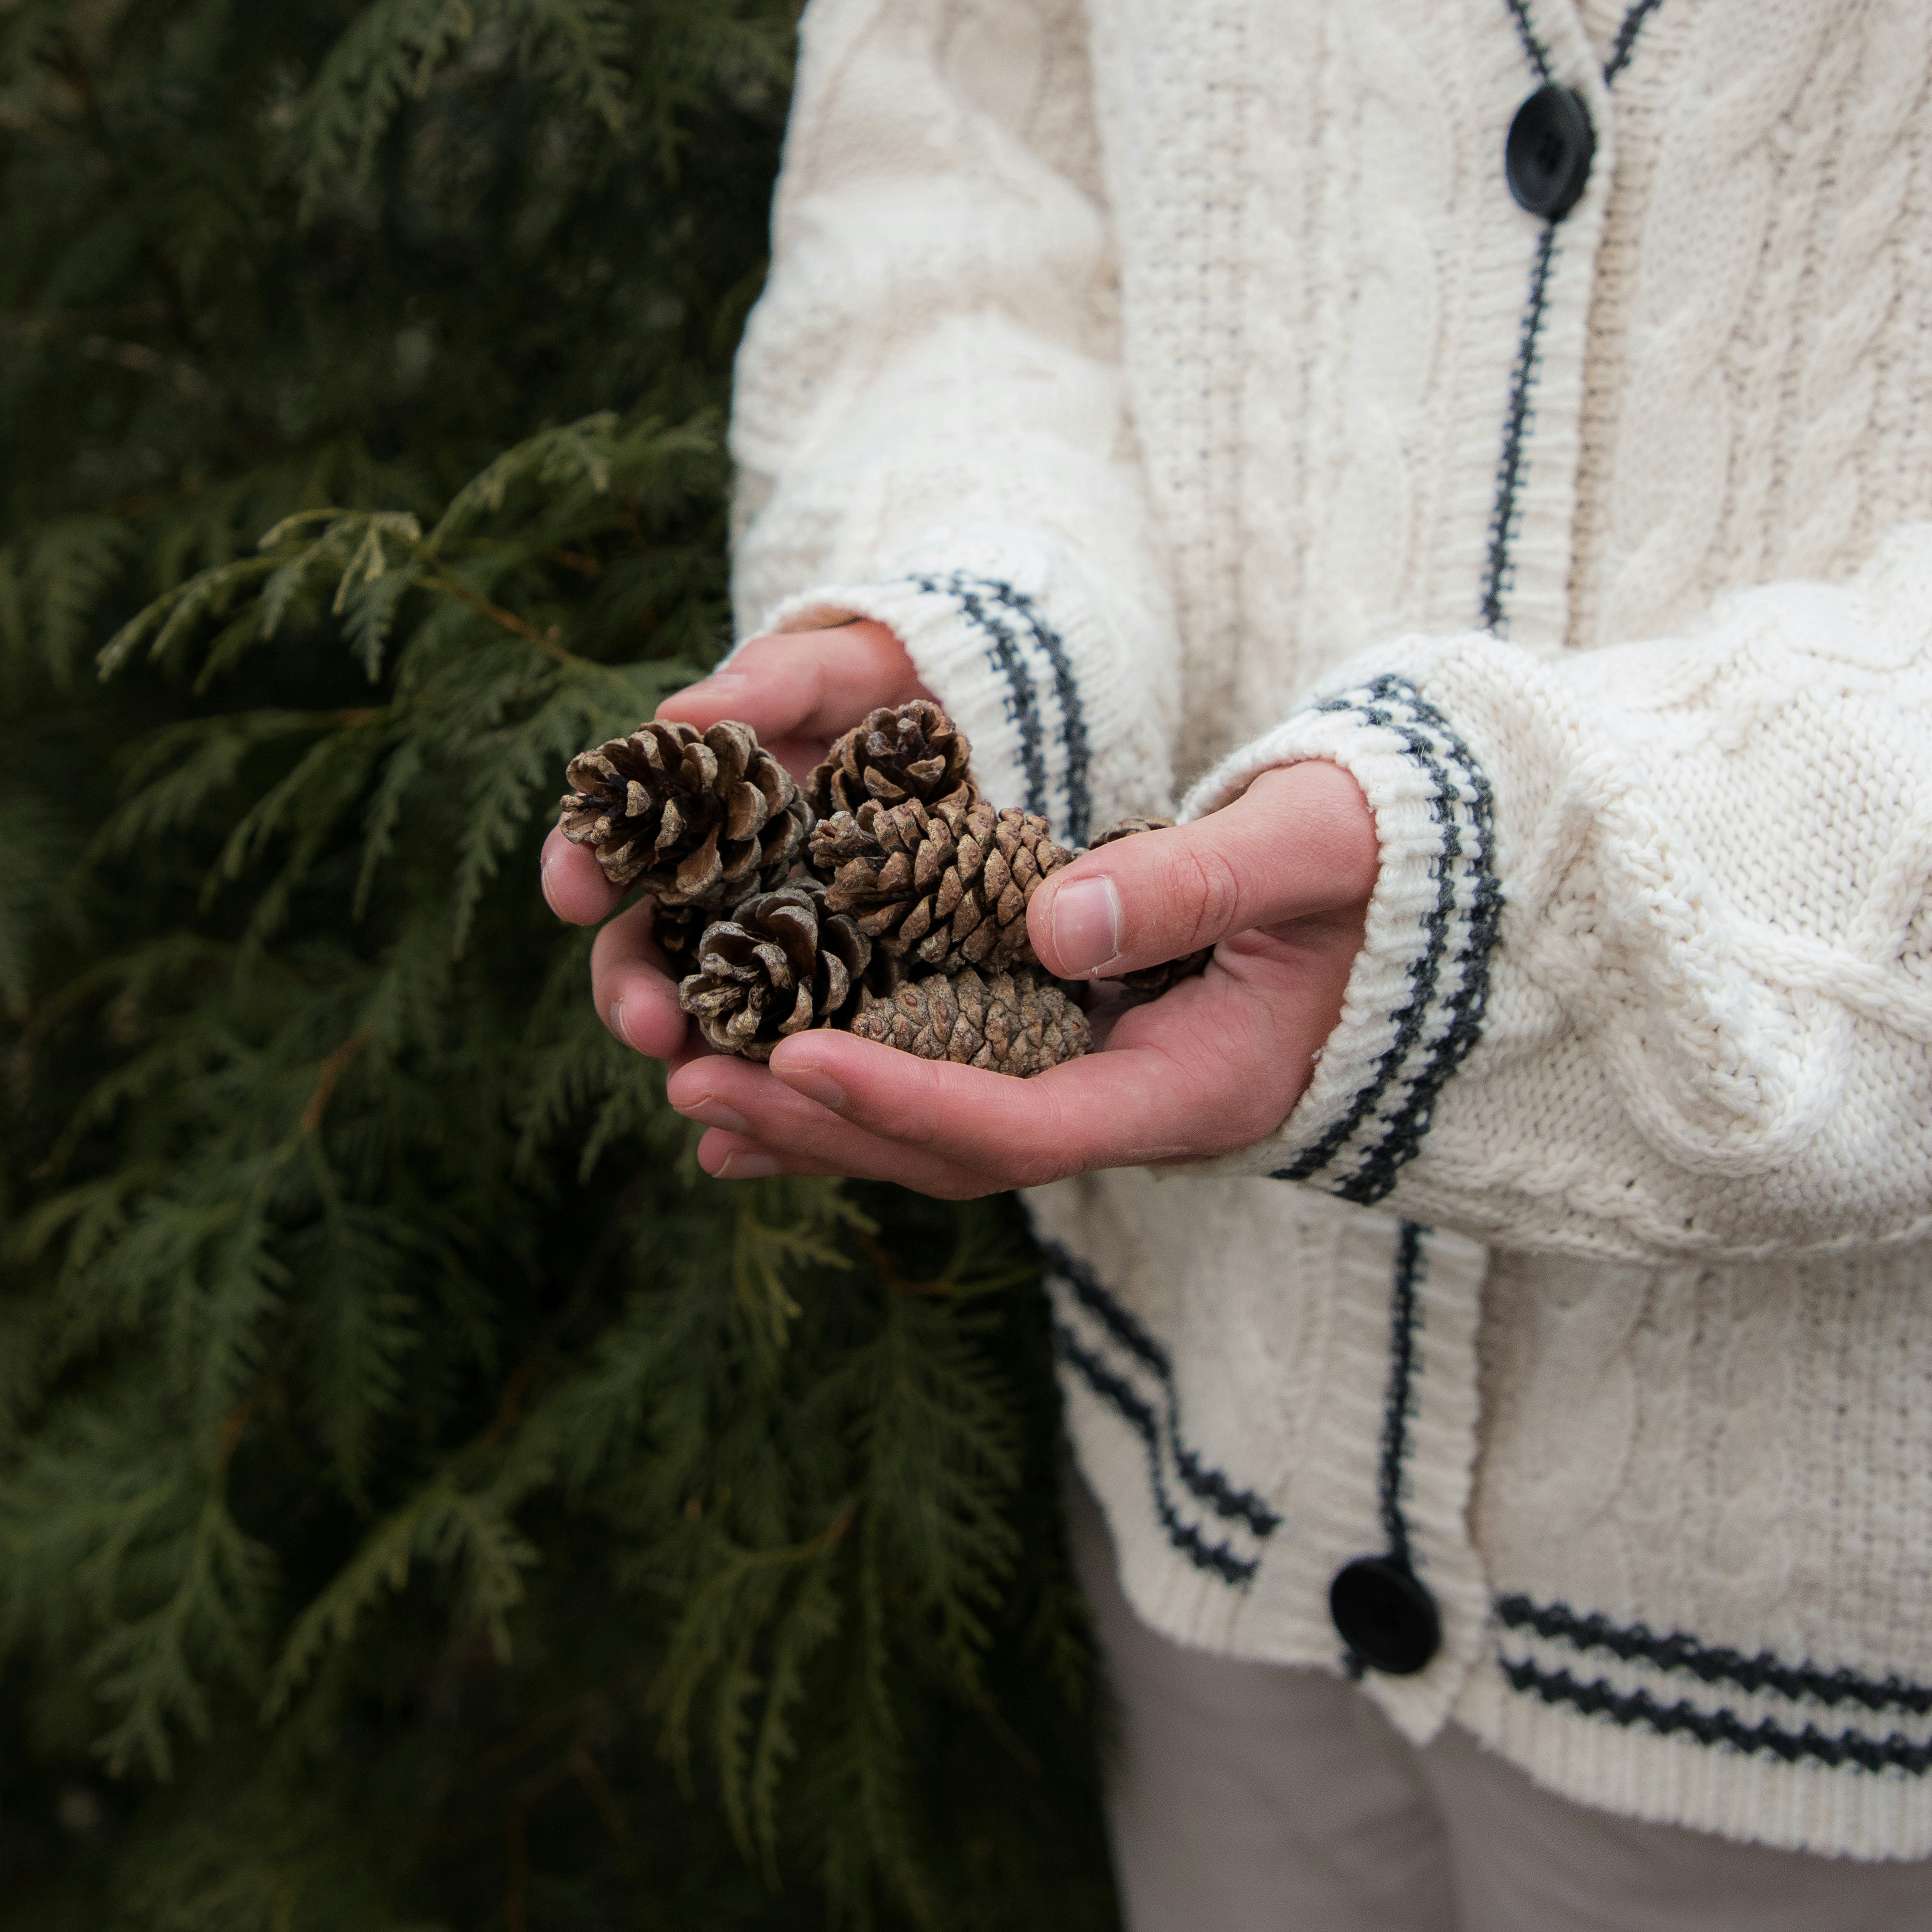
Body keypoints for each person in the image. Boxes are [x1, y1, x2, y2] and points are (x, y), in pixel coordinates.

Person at [542, 1, 1932, 1923]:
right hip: (1212, 1486)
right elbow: (962, 201)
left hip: (1849, 1664)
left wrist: (1511, 901)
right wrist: (974, 684)